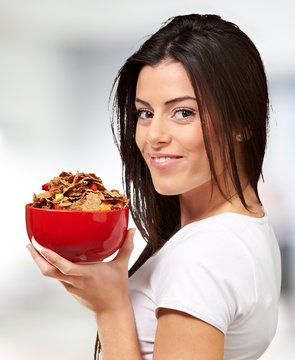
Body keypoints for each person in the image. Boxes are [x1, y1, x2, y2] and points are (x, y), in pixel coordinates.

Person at [27, 14, 281, 360]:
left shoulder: (202, 254)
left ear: (243, 124)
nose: (154, 136)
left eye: (184, 113)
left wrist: (110, 308)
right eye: (145, 113)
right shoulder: (246, 226)